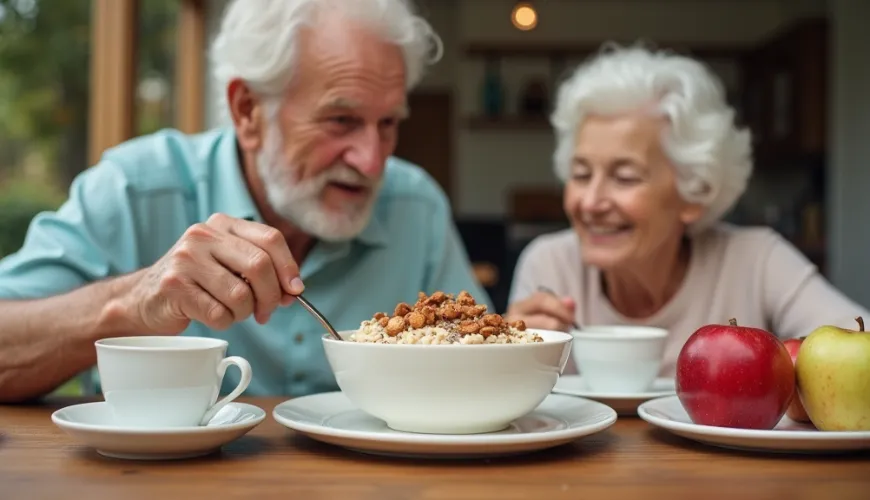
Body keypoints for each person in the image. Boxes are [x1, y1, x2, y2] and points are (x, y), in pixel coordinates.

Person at [0, 0, 489, 403]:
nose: (372, 161)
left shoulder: (415, 206)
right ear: (247, 110)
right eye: (340, 121)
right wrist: (132, 303)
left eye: (388, 124)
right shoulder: (134, 189)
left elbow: (482, 367)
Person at [505, 44, 869, 378]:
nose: (590, 202)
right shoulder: (548, 266)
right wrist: (506, 355)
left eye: (625, 177)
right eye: (581, 174)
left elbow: (859, 342)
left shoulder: (756, 260)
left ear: (695, 191)